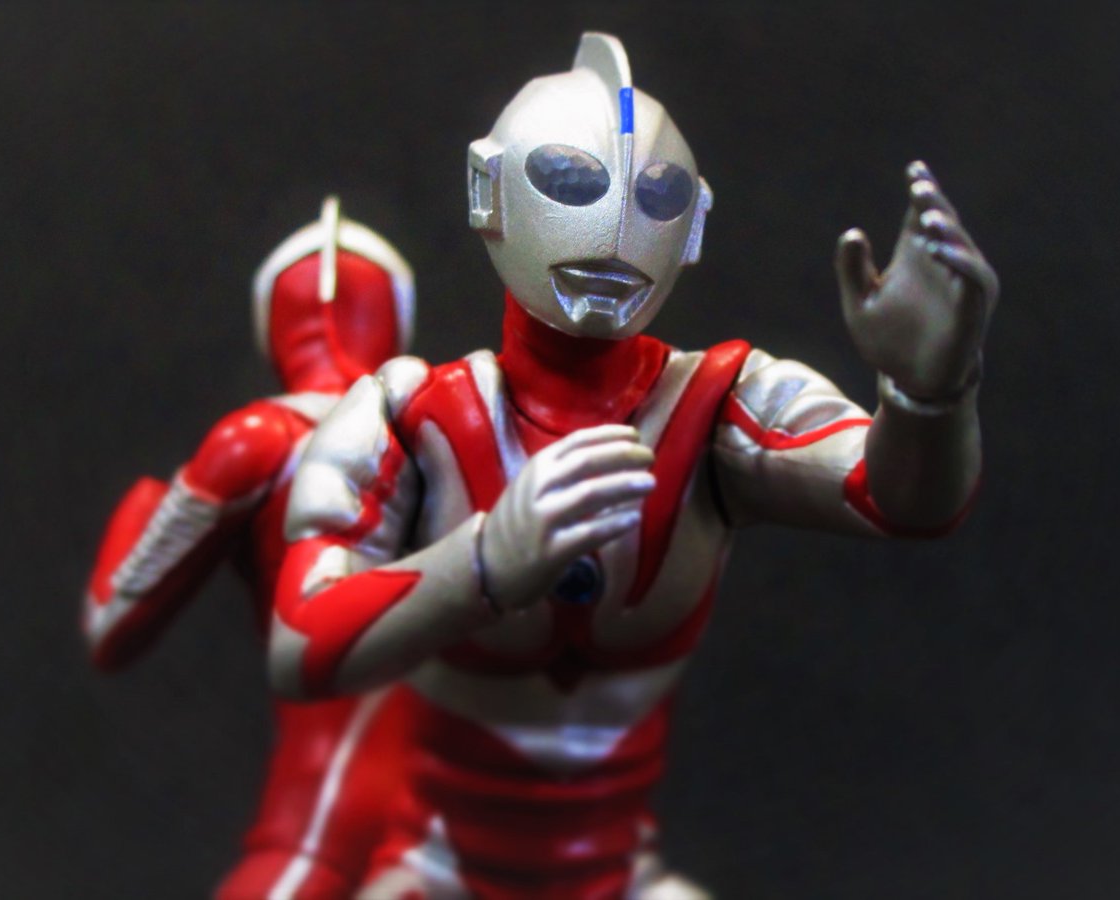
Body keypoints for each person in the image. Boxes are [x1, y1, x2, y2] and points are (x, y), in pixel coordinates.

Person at [271, 33, 998, 900]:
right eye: (572, 180)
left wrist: (928, 395)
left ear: (694, 225)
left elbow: (900, 499)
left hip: (619, 877)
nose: (617, 226)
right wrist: (480, 564)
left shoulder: (723, 402)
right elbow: (301, 643)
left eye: (658, 195)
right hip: (434, 872)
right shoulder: (408, 417)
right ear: (488, 192)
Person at [85, 198, 416, 899]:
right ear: (395, 320)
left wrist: (144, 503)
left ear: (273, 330)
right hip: (489, 781)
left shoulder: (258, 441)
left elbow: (110, 622)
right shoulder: (451, 421)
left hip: (329, 786)